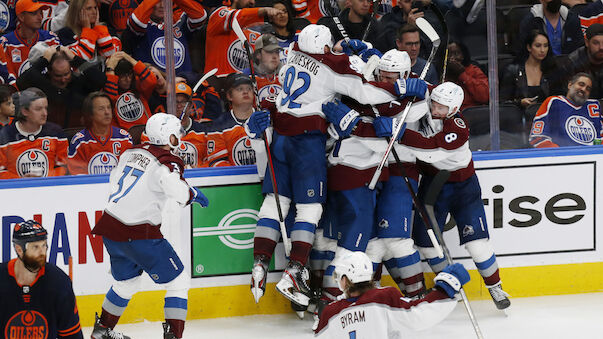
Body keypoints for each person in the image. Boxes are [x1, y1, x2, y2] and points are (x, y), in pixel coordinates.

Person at [245, 24, 426, 307]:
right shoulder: (333, 67)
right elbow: (365, 91)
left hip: (285, 136)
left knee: (278, 204)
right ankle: (298, 276)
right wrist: (397, 87)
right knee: (318, 220)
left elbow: (396, 119)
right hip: (318, 152)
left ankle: (261, 263)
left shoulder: (292, 52)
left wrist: (363, 52)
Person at [316, 49, 430, 303]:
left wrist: (424, 92)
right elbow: (346, 132)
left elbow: (417, 122)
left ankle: (414, 294)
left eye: (392, 78)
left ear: (404, 75)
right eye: (383, 76)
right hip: (359, 175)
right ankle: (334, 299)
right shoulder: (359, 96)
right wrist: (352, 126)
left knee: (390, 240)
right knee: (355, 243)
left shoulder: (414, 99)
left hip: (396, 173)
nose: (386, 81)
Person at [90, 113, 209, 339]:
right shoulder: (168, 161)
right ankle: (174, 335)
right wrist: (191, 193)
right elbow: (176, 191)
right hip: (139, 233)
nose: (179, 138)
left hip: (110, 227)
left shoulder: (130, 152)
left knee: (126, 282)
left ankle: (102, 330)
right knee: (178, 282)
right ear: (170, 136)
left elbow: (116, 180)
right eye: (177, 133)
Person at [399, 81, 511, 310]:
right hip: (433, 184)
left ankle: (495, 286)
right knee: (425, 242)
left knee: (476, 243)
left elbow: (430, 151)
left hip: (463, 187)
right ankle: (451, 285)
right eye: (434, 104)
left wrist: (399, 133)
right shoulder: (430, 102)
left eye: (441, 108)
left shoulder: (458, 127)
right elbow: (421, 84)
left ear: (453, 109)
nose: (434, 110)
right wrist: (414, 83)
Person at [314, 251, 470, 338]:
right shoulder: (384, 297)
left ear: (345, 279)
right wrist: (446, 287)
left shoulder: (330, 312)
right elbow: (418, 315)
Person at [0, 220, 83, 339]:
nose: (42, 252)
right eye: (35, 247)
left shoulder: (59, 282)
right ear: (19, 249)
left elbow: (72, 335)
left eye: (44, 245)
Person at [17, 45, 107, 128]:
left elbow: (100, 80)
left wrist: (75, 59)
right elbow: (21, 82)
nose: (63, 79)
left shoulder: (78, 82)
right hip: (48, 135)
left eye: (66, 74)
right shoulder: (42, 83)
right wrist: (44, 60)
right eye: (58, 76)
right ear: (49, 71)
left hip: (77, 133)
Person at [123, 0, 207, 74]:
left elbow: (200, 16)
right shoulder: (143, 24)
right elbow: (136, 22)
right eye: (158, 1)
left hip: (183, 86)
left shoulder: (179, 22)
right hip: (153, 85)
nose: (162, 5)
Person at [0, 88, 68, 179]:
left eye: (46, 108)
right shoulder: (5, 135)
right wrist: (21, 181)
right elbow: (1, 171)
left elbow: (64, 167)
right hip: (16, 191)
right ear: (25, 111)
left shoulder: (56, 133)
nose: (45, 113)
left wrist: (46, 179)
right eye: (38, 109)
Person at [204, 0, 283, 76]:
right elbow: (239, 17)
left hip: (247, 86)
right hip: (216, 85)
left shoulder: (257, 29)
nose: (252, 2)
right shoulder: (218, 16)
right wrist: (264, 10)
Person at [67, 91, 133, 175]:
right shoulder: (80, 141)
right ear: (90, 114)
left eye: (109, 108)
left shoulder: (124, 138)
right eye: (101, 109)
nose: (107, 112)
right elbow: (77, 176)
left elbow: (129, 172)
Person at [530, 72, 602, 147]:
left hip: (592, 156)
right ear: (570, 85)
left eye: (588, 89)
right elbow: (537, 138)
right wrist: (560, 154)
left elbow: (601, 136)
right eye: (581, 84)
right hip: (562, 156)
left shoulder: (593, 107)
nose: (584, 89)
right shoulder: (554, 102)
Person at [0, 0, 60, 86]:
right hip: (19, 95)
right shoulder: (6, 43)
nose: (40, 17)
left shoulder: (51, 39)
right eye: (34, 13)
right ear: (21, 17)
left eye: (41, 13)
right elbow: (8, 80)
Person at [206, 73, 259, 167]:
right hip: (235, 180)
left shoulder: (264, 119)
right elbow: (217, 162)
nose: (245, 92)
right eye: (240, 89)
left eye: (249, 89)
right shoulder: (218, 126)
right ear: (229, 96)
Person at [501, 29, 556, 113]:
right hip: (519, 118)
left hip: (547, 117)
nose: (542, 50)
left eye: (545, 46)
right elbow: (503, 102)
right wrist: (519, 103)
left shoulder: (552, 69)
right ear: (529, 47)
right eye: (538, 46)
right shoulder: (513, 70)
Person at [104, 51, 157, 130]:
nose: (127, 79)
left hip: (146, 133)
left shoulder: (139, 88)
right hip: (123, 137)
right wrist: (110, 68)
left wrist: (128, 58)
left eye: (129, 74)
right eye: (122, 76)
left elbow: (152, 81)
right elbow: (110, 99)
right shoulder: (109, 92)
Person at [517, 0, 582, 56]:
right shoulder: (530, 22)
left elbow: (579, 49)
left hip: (569, 66)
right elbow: (524, 52)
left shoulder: (572, 19)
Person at [557, 23, 603, 99]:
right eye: (596, 43)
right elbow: (568, 99)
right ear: (587, 43)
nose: (601, 47)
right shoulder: (571, 63)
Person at [444, 39, 489, 111]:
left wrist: (463, 75)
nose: (452, 58)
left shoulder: (474, 70)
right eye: (449, 54)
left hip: (472, 113)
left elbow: (485, 97)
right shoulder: (441, 73)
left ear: (463, 55)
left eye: (456, 53)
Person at [243, 34, 283, 102]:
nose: (275, 56)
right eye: (269, 52)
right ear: (258, 55)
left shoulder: (285, 75)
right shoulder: (246, 77)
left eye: (277, 52)